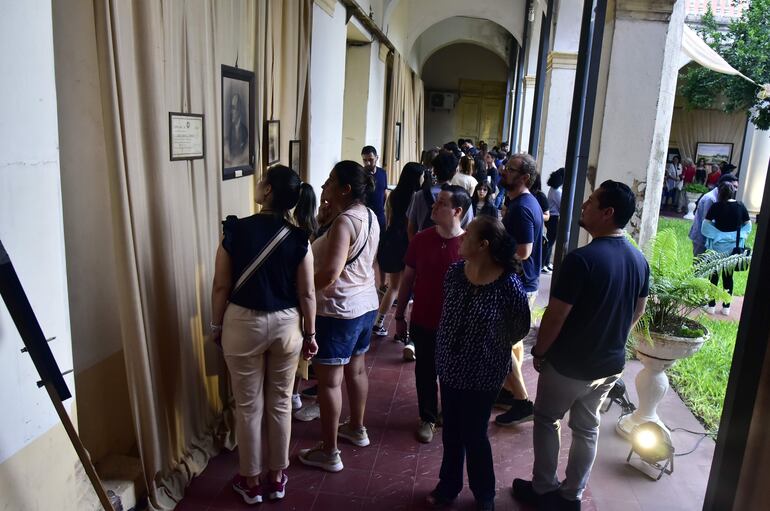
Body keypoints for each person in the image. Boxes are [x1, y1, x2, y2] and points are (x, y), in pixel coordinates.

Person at [512, 180, 650, 511]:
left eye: (591, 202)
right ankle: (572, 495)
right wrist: (613, 336)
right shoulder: (638, 259)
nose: (584, 206)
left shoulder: (582, 260)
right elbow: (639, 309)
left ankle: (544, 488)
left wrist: (540, 352)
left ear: (608, 213)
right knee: (587, 428)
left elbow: (556, 317)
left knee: (547, 419)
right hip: (610, 364)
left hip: (570, 364)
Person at [210, 165, 318, 504]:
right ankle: (277, 477)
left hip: (243, 323)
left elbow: (221, 286)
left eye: (261, 181)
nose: (257, 185)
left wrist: (216, 325)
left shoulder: (236, 231)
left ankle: (251, 482)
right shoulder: (300, 238)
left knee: (248, 405)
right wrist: (311, 333)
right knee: (281, 402)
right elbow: (308, 294)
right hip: (287, 325)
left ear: (268, 191)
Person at [427, 216, 530, 511]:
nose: (461, 238)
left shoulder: (508, 284)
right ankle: (448, 486)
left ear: (483, 245)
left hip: (483, 373)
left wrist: (488, 344)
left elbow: (519, 328)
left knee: (474, 434)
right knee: (450, 432)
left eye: (468, 234)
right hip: (449, 366)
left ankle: (484, 493)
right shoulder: (456, 273)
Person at [298, 161, 380, 472]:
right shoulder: (370, 216)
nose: (325, 185)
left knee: (329, 382)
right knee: (356, 371)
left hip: (338, 310)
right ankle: (356, 428)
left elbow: (331, 273)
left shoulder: (345, 222)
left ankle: (329, 451)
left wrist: (301, 290)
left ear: (345, 189)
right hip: (364, 305)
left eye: (331, 181)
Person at [395, 185, 471, 443]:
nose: (433, 207)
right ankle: (427, 416)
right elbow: (407, 279)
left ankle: (448, 413)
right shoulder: (421, 239)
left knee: (452, 372)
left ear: (457, 211)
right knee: (425, 371)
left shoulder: (470, 245)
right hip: (423, 318)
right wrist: (399, 316)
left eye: (441, 204)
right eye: (435, 202)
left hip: (457, 324)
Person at [494, 153, 543, 427]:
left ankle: (522, 400)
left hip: (520, 285)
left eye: (510, 169)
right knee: (511, 343)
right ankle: (510, 392)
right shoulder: (519, 203)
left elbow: (524, 251)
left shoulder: (523, 207)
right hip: (521, 284)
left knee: (502, 344)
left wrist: (491, 249)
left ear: (524, 178)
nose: (503, 171)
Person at [372, 162, 424, 337]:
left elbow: (389, 218)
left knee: (393, 287)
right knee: (410, 289)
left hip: (392, 240)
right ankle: (405, 330)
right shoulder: (417, 197)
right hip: (409, 243)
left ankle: (378, 323)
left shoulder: (393, 195)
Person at [701, 181, 751, 315]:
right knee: (728, 277)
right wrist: (737, 236)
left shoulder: (716, 206)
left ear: (720, 192)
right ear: (733, 192)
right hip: (733, 247)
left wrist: (718, 234)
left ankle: (711, 306)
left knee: (714, 276)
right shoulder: (740, 206)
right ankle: (726, 307)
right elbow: (748, 225)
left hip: (717, 247)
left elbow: (705, 226)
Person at [407, 151, 474, 239]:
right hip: (452, 248)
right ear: (455, 171)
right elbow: (467, 228)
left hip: (424, 244)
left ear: (434, 170)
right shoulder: (463, 198)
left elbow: (411, 228)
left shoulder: (419, 195)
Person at [688, 173, 739, 257]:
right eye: (734, 186)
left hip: (710, 239)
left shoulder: (720, 197)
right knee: (700, 267)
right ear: (724, 184)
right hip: (702, 239)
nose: (735, 190)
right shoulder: (711, 198)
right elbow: (708, 222)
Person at [543, 168, 564, 273]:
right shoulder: (557, 191)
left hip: (551, 218)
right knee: (550, 242)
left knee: (550, 241)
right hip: (554, 218)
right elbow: (562, 206)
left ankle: (546, 263)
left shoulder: (553, 188)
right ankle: (543, 263)